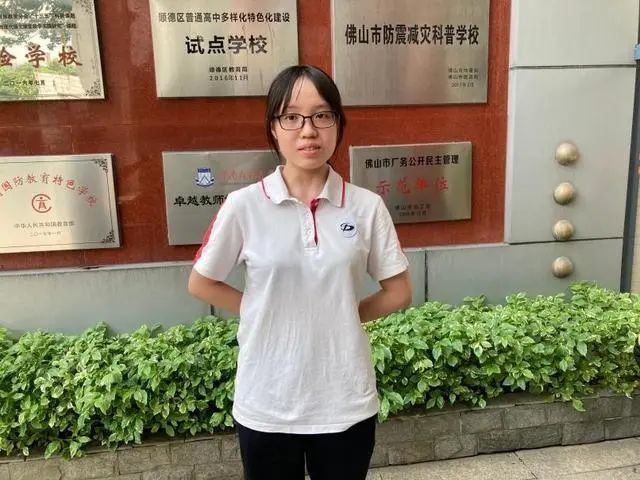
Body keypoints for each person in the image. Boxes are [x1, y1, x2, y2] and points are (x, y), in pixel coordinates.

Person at [188, 64, 412, 480]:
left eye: (321, 115)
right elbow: (202, 282)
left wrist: (339, 314)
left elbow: (398, 292)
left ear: (338, 124)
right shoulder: (244, 206)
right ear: (273, 128)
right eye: (291, 117)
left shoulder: (365, 207)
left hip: (344, 400)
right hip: (267, 400)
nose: (308, 130)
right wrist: (261, 309)